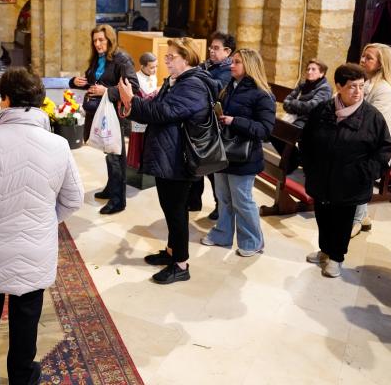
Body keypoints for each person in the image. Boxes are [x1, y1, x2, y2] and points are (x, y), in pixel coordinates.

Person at [0, 68, 84, 385]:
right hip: (34, 247)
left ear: (5, 99)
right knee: (27, 317)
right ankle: (22, 375)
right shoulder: (58, 145)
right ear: (39, 101)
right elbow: (75, 198)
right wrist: (46, 220)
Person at [117, 38, 215, 284]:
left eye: (172, 56)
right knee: (171, 208)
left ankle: (181, 264)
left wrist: (131, 100)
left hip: (179, 159)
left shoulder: (192, 85)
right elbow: (158, 106)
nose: (167, 60)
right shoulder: (176, 82)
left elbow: (163, 113)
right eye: (167, 56)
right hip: (168, 155)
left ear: (188, 58)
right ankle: (172, 252)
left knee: (176, 212)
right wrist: (136, 101)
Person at [301, 64, 391, 277]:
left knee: (342, 221)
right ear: (339, 86)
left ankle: (336, 257)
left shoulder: (372, 116)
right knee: (323, 217)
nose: (358, 92)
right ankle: (325, 250)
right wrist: (310, 166)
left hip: (351, 180)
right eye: (352, 86)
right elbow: (305, 141)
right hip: (322, 176)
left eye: (361, 86)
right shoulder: (322, 110)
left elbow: (384, 148)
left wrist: (367, 173)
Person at [200, 49, 275, 257]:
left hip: (244, 156)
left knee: (242, 200)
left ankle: (253, 241)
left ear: (250, 65)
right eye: (232, 61)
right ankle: (222, 234)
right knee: (223, 197)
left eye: (237, 62)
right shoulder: (229, 88)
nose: (231, 65)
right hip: (224, 151)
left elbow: (265, 130)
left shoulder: (262, 94)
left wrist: (235, 121)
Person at [69, 24, 139, 214]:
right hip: (100, 113)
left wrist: (107, 91)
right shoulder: (98, 59)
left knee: (116, 155)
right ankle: (111, 188)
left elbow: (133, 86)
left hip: (114, 114)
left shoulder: (121, 59)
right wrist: (75, 82)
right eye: (95, 41)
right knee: (109, 153)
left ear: (110, 39)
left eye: (101, 40)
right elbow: (93, 83)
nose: (98, 44)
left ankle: (118, 200)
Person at [352, 43, 391, 236]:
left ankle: (355, 220)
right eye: (363, 56)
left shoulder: (384, 91)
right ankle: (362, 216)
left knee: (356, 170)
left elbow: (379, 128)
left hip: (374, 150)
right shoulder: (365, 82)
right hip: (359, 143)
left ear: (381, 64)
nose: (362, 60)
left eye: (368, 58)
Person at [188, 32, 235, 217]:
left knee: (213, 166)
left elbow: (216, 89)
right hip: (200, 121)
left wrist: (198, 75)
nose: (211, 51)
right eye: (211, 47)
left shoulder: (227, 70)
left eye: (216, 48)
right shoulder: (207, 66)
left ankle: (219, 205)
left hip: (216, 125)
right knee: (196, 161)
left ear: (227, 51)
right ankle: (194, 200)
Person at [272, 58, 332, 173]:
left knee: (286, 131)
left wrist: (293, 104)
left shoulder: (325, 88)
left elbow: (311, 107)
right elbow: (286, 102)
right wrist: (297, 106)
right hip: (298, 118)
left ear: (322, 73)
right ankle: (294, 158)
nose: (309, 72)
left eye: (313, 69)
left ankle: (292, 160)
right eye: (308, 69)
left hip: (312, 122)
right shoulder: (303, 85)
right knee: (273, 129)